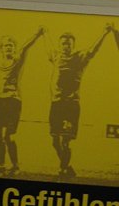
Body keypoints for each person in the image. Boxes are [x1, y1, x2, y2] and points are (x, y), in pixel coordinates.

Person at [44, 25, 112, 178]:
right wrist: (45, 33)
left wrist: (104, 33)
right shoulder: (56, 56)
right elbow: (48, 46)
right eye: (63, 43)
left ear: (73, 45)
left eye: (68, 44)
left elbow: (93, 50)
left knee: (66, 141)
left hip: (71, 104)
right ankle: (67, 166)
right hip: (56, 104)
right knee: (55, 141)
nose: (65, 46)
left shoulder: (79, 57)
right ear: (59, 45)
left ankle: (62, 170)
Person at [0, 28, 44, 176]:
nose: (8, 47)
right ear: (1, 48)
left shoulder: (18, 60)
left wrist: (37, 34)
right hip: (0, 101)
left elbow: (26, 46)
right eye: (6, 45)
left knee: (8, 136)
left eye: (11, 45)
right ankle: (1, 166)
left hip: (13, 100)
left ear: (14, 48)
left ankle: (15, 166)